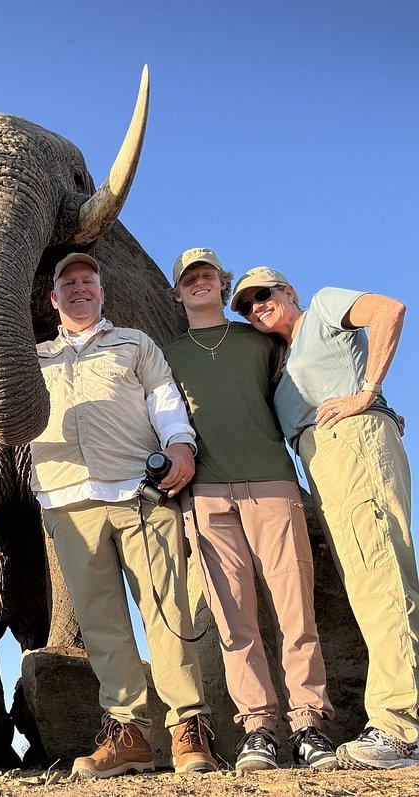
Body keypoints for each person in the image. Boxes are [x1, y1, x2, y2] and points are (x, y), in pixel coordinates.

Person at [30, 252, 217, 778]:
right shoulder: (35, 355)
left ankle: (188, 728)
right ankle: (128, 733)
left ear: (102, 292)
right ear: (54, 298)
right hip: (67, 499)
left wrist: (180, 445)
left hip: (139, 492)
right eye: (69, 284)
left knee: (167, 611)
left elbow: (164, 400)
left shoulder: (136, 344)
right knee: (101, 621)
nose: (79, 289)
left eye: (89, 281)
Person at [231, 266, 419, 770]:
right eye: (246, 305)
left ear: (288, 290)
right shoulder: (284, 356)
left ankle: (401, 728)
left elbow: (389, 309)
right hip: (323, 461)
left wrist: (368, 392)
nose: (256, 308)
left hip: (352, 444)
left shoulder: (324, 306)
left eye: (263, 295)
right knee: (368, 582)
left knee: (383, 581)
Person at [165, 248, 336, 771]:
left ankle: (309, 723)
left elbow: (310, 383)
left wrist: (375, 405)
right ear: (177, 293)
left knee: (295, 611)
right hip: (208, 495)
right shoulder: (165, 353)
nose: (199, 284)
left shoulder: (258, 340)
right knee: (234, 618)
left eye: (207, 276)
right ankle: (258, 728)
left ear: (223, 283)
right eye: (189, 279)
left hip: (273, 483)